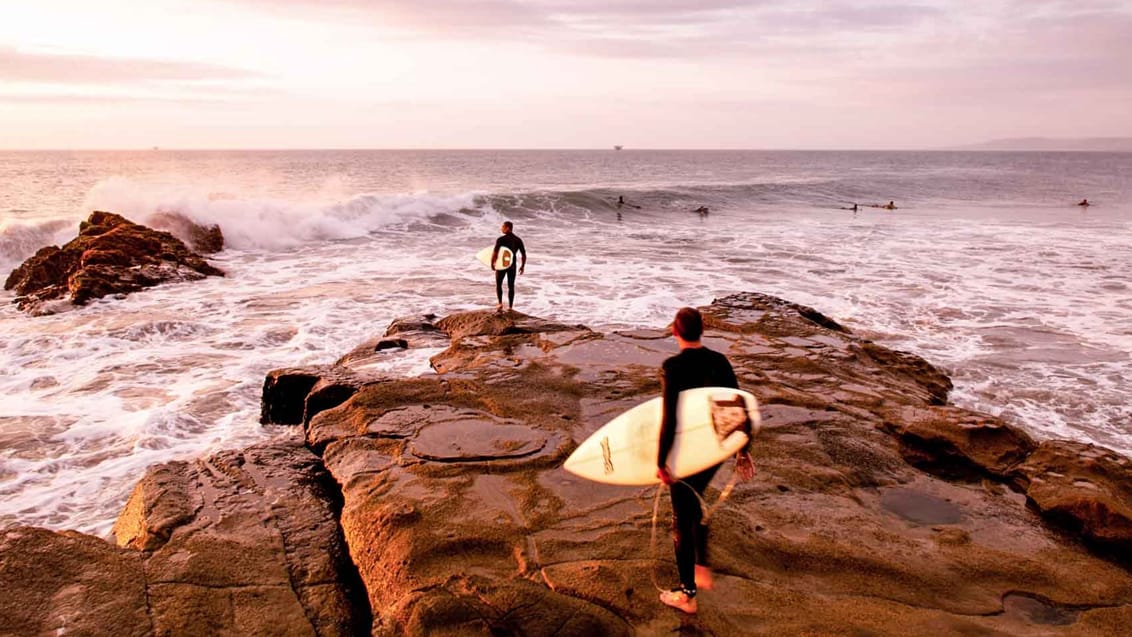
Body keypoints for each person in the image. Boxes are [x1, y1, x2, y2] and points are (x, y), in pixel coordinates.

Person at [656, 307, 755, 614]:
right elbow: (738, 406)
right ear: (703, 330)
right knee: (694, 504)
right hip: (713, 451)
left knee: (681, 520)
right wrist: (742, 450)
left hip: (686, 452)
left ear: (675, 331)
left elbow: (670, 419)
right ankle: (702, 566)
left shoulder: (672, 366)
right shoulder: (719, 361)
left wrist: (661, 461)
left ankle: (687, 595)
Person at [491, 221, 526, 310]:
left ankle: (500, 304)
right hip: (512, 266)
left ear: (507, 228)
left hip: (502, 265)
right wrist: (522, 266)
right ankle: (510, 306)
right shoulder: (518, 240)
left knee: (499, 284)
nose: (501, 229)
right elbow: (523, 254)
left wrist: (492, 262)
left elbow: (495, 252)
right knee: (511, 286)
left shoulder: (501, 239)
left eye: (503, 227)